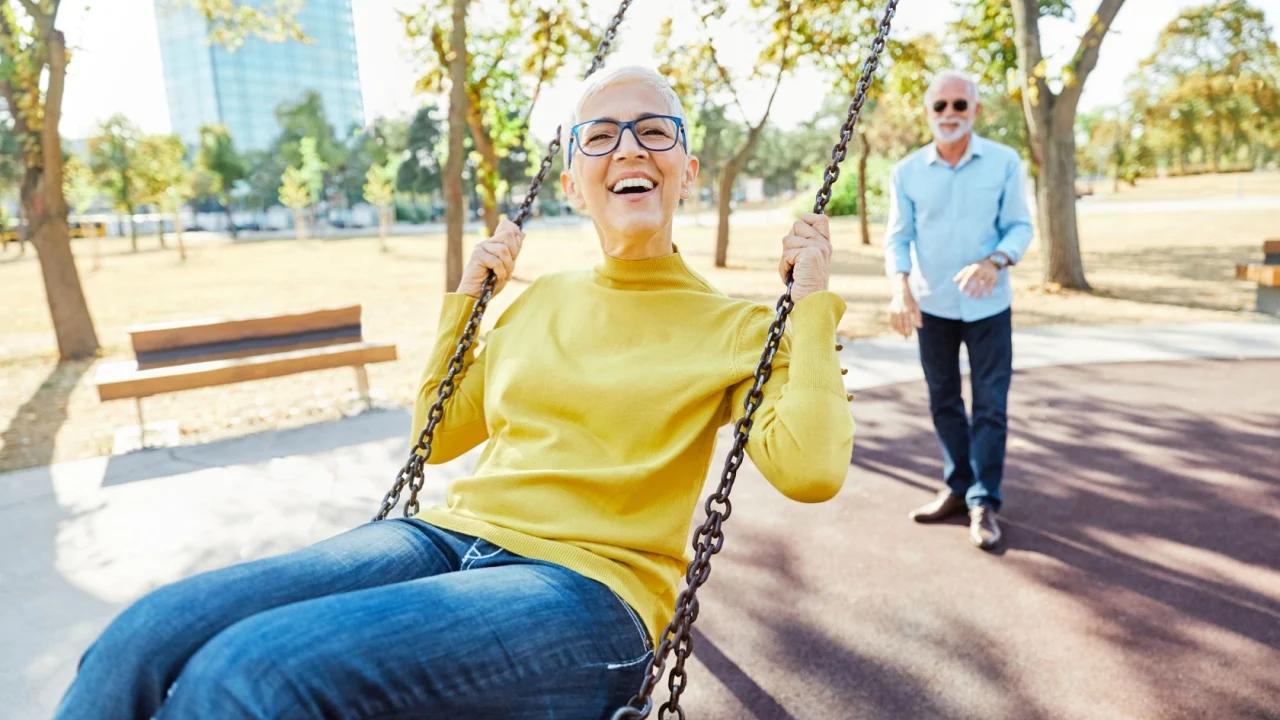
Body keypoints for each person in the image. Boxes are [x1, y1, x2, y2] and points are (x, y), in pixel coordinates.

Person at [54, 65, 856, 720]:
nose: (629, 148)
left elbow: (810, 470)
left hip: (589, 591)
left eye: (655, 131)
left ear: (688, 166)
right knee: (147, 634)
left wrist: (812, 301)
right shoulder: (540, 299)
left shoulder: (740, 328)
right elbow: (439, 437)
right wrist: (466, 303)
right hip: (443, 538)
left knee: (253, 674)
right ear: (573, 180)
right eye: (601, 136)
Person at [883, 69, 1033, 551]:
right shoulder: (906, 171)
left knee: (990, 405)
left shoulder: (1005, 162)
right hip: (932, 306)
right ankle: (957, 487)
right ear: (928, 112)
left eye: (959, 105)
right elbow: (899, 236)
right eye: (940, 106)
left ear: (976, 111)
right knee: (943, 400)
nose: (949, 114)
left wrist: (996, 261)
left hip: (989, 306)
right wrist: (899, 288)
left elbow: (1019, 227)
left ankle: (984, 500)